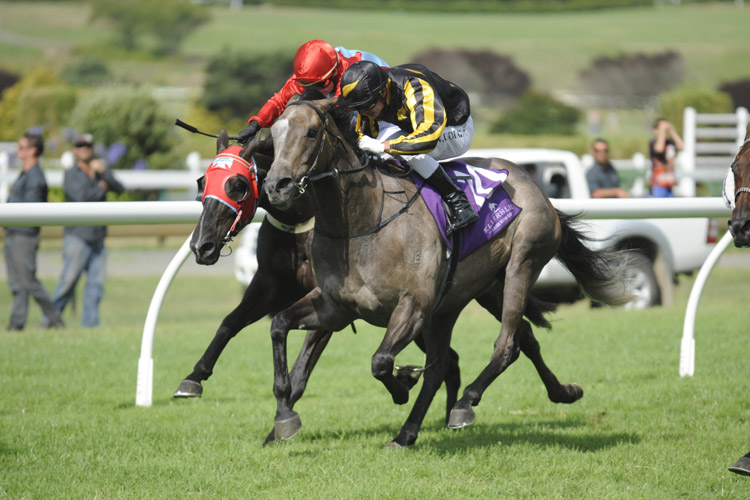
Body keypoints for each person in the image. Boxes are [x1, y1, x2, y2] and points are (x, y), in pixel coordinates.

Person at [337, 60, 478, 234]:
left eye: (366, 106)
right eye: (358, 108)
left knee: (407, 153)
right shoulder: (373, 97)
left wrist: (384, 146)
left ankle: (459, 202)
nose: (364, 112)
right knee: (380, 154)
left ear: (382, 91)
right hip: (419, 129)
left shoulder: (414, 86)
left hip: (455, 128)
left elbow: (428, 136)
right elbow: (363, 136)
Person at [237, 40, 389, 143]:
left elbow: (339, 110)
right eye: (308, 85)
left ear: (334, 72)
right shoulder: (312, 74)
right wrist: (256, 124)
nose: (316, 90)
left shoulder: (351, 70)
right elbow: (280, 100)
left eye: (321, 84)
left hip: (386, 117)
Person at [48, 134, 124, 327]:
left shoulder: (100, 170)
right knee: (67, 282)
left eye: (88, 145)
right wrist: (101, 187)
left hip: (98, 237)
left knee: (96, 285)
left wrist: (104, 174)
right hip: (78, 236)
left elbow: (120, 188)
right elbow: (82, 198)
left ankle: (90, 324)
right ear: (74, 149)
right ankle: (50, 320)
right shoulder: (71, 174)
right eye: (80, 145)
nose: (85, 148)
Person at [3, 132, 64, 331]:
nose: (17, 151)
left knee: (29, 282)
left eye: (21, 147)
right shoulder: (26, 173)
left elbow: (31, 209)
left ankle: (55, 319)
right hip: (13, 233)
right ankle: (16, 324)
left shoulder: (36, 177)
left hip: (24, 236)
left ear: (33, 151)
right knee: (17, 285)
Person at [649, 118, 684, 198]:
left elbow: (681, 146)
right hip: (658, 185)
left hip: (669, 185)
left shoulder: (670, 144)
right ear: (655, 131)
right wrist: (662, 130)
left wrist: (672, 131)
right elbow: (659, 149)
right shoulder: (653, 143)